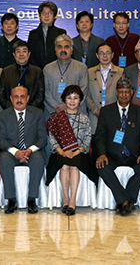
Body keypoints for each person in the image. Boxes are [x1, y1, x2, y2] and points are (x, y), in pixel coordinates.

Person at [95, 77, 140, 216]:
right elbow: (100, 137)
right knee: (102, 167)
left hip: (133, 155)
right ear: (116, 93)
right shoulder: (106, 111)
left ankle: (124, 201)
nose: (124, 95)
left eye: (127, 92)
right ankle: (126, 200)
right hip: (113, 155)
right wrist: (102, 154)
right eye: (121, 92)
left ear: (131, 93)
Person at [45, 85, 97, 216]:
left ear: (80, 100)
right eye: (69, 98)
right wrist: (62, 152)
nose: (72, 101)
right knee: (64, 165)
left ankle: (72, 201)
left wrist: (77, 151)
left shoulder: (84, 118)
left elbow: (87, 138)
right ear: (64, 99)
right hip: (60, 152)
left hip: (79, 153)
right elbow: (52, 138)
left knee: (74, 165)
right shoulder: (57, 118)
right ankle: (65, 199)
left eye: (75, 98)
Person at [0, 86, 47, 214]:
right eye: (16, 97)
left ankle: (32, 199)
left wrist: (29, 150)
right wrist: (16, 152)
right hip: (12, 153)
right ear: (11, 98)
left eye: (22, 97)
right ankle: (11, 200)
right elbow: (1, 140)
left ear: (28, 98)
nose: (19, 100)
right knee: (3, 159)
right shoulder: (3, 115)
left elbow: (42, 139)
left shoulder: (37, 114)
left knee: (38, 159)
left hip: (32, 152)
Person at [43, 34, 89, 117]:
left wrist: (67, 106)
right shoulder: (47, 68)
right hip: (53, 112)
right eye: (59, 47)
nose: (63, 50)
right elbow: (46, 92)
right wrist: (57, 107)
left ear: (71, 50)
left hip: (76, 113)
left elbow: (83, 91)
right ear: (55, 50)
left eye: (66, 47)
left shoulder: (82, 68)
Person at [86, 42, 124, 136]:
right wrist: (95, 110)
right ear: (97, 55)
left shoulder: (121, 72)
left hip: (114, 117)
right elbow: (86, 94)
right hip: (94, 118)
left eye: (108, 53)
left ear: (112, 55)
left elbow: (123, 96)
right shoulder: (89, 72)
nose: (105, 56)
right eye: (101, 53)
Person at [0, 40, 45, 109]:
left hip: (32, 111)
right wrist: (12, 109)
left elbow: (40, 95)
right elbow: (1, 95)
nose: (21, 54)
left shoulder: (37, 72)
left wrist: (28, 110)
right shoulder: (6, 71)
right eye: (18, 51)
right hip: (10, 111)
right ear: (14, 54)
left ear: (29, 54)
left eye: (24, 51)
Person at [28, 1, 67, 68]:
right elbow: (31, 55)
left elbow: (63, 53)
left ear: (54, 16)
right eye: (44, 13)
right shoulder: (33, 34)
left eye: (50, 13)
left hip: (56, 69)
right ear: (39, 15)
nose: (46, 16)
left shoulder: (60, 33)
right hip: (37, 70)